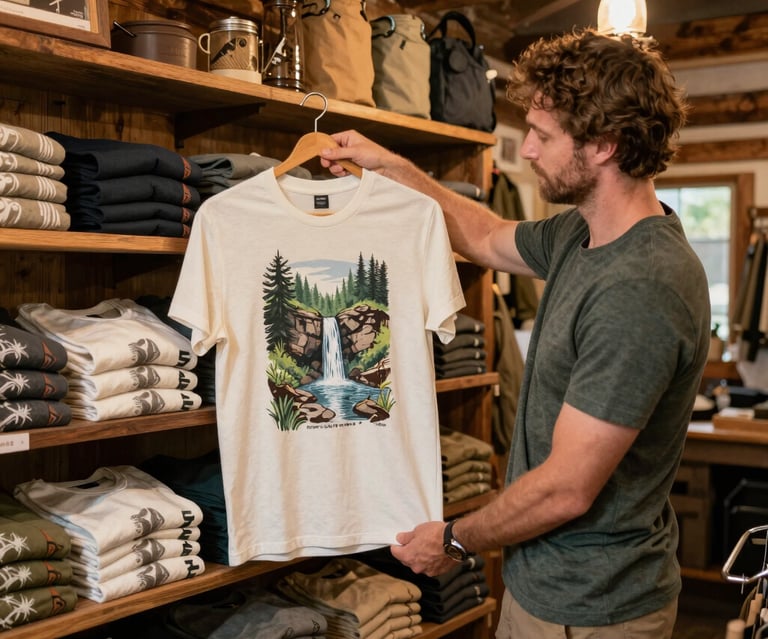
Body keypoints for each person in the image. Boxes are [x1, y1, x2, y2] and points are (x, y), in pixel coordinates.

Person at [320, 28, 711, 639]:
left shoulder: (644, 285)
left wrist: (452, 540)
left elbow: (566, 490)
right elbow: (482, 233)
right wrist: (393, 167)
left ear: (605, 145)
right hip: (543, 590)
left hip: (594, 613)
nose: (525, 150)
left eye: (543, 136)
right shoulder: (578, 236)